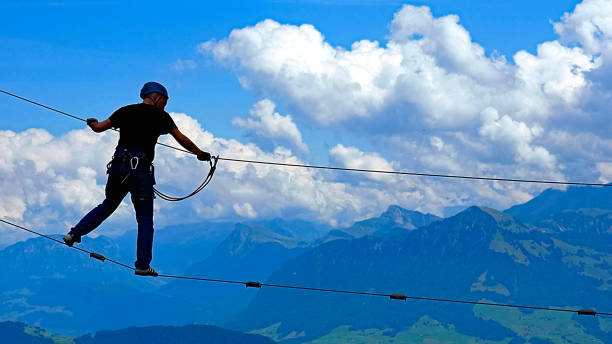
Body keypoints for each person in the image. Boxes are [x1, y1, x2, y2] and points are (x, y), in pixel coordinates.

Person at [63, 82, 211, 276]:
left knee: (108, 204)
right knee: (145, 219)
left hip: (118, 167)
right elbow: (181, 139)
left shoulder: (125, 111)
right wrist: (200, 153)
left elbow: (99, 128)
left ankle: (74, 233)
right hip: (140, 171)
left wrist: (91, 122)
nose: (165, 106)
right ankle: (142, 265)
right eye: (165, 101)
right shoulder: (161, 116)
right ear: (156, 97)